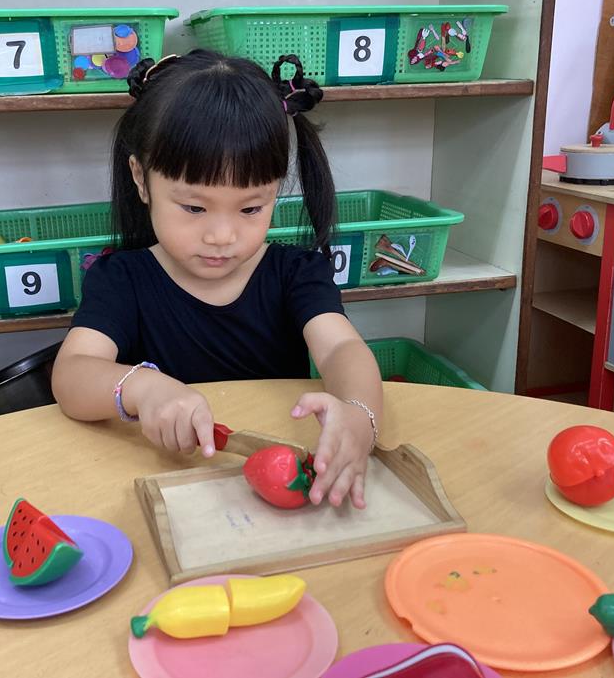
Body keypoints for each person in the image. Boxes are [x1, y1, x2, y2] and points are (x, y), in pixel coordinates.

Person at [53, 49, 383, 509]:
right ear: (141, 179)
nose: (222, 236)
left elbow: (341, 348)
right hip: (165, 486)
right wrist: (143, 389)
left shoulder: (296, 274)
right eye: (194, 207)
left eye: (251, 208)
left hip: (277, 491)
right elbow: (72, 374)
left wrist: (359, 415)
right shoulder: (122, 279)